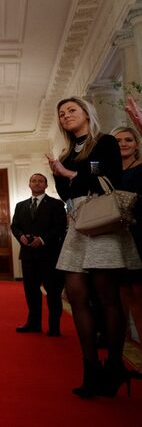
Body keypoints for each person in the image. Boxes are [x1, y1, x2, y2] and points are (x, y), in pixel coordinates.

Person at [47, 97, 142, 398]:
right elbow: (64, 192)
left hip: (101, 221)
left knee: (107, 297)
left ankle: (113, 368)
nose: (65, 116)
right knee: (76, 295)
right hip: (77, 224)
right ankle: (91, 368)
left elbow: (107, 177)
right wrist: (62, 174)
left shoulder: (104, 143)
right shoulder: (65, 153)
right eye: (61, 113)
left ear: (87, 113)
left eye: (71, 110)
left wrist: (70, 175)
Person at [10, 173, 68, 336]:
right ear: (29, 184)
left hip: (49, 255)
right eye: (34, 181)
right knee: (31, 291)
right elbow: (14, 226)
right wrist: (20, 236)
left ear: (45, 185)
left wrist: (42, 240)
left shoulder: (56, 204)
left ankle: (54, 327)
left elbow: (60, 227)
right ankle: (33, 323)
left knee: (53, 292)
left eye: (40, 181)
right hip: (28, 255)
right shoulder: (20, 205)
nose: (37, 184)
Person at [111, 126, 142, 372]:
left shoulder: (141, 168)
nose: (123, 143)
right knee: (119, 297)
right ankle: (118, 357)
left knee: (138, 296)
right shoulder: (107, 173)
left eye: (128, 139)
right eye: (118, 140)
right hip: (114, 237)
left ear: (137, 143)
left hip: (139, 234)